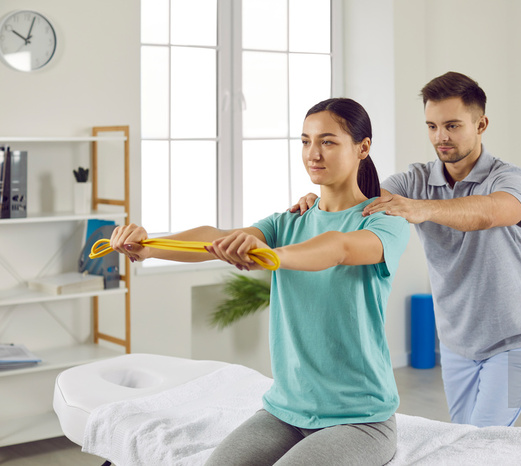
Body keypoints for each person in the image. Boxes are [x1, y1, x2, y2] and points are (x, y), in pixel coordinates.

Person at [109, 98, 409, 465]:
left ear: (363, 147)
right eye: (305, 141)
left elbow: (340, 248)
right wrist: (149, 246)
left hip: (360, 420)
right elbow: (215, 237)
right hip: (284, 412)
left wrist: (275, 255)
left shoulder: (383, 221)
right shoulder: (287, 221)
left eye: (328, 141)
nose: (313, 153)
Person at [293, 72, 521, 428]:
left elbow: (491, 212)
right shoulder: (414, 180)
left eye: (453, 126)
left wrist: (422, 208)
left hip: (513, 338)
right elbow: (357, 199)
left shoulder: (510, 178)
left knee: (484, 440)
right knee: (460, 439)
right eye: (432, 126)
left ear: (481, 124)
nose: (440, 137)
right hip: (457, 342)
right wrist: (320, 200)